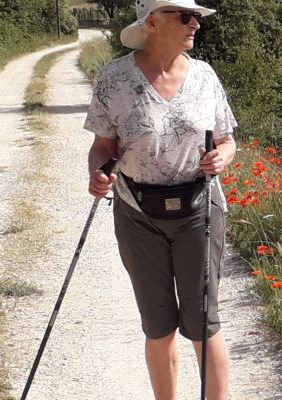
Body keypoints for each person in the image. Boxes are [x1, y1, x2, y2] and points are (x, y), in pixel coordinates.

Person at [83, 0, 238, 398]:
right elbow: (103, 146)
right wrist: (98, 172)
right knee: (158, 325)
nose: (195, 26)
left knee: (204, 322)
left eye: (197, 18)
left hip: (200, 209)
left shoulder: (205, 76)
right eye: (185, 17)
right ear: (152, 22)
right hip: (138, 213)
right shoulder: (114, 78)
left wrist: (221, 155)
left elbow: (227, 139)